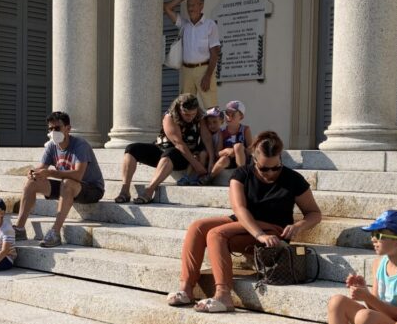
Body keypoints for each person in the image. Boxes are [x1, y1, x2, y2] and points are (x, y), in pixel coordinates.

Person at [169, 131, 322, 313]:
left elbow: (314, 213)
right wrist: (259, 234)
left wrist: (298, 226)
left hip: (273, 231)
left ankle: (223, 295)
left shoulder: (293, 179)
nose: (271, 173)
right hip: (249, 224)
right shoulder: (242, 174)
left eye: (276, 167)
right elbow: (239, 209)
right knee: (198, 227)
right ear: (254, 160)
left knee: (216, 235)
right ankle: (186, 288)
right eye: (264, 168)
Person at [13, 112, 105, 248]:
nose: (53, 132)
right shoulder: (51, 146)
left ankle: (55, 232)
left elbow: (78, 175)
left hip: (91, 189)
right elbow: (42, 167)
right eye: (50, 129)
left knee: (67, 183)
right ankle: (19, 229)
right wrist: (33, 173)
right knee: (31, 183)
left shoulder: (80, 145)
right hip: (67, 187)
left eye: (57, 128)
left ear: (68, 129)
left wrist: (50, 172)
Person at [114, 94, 215, 203]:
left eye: (193, 114)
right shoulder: (170, 116)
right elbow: (178, 142)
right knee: (131, 149)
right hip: (164, 148)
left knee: (170, 154)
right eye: (186, 114)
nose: (190, 117)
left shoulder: (200, 116)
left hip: (182, 156)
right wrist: (197, 165)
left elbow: (207, 138)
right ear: (179, 109)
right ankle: (125, 190)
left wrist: (211, 161)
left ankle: (149, 190)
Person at [164, 0, 221, 109]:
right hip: (187, 70)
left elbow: (215, 53)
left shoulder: (210, 25)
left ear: (201, 6)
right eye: (189, 5)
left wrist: (208, 75)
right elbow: (167, 8)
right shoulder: (184, 25)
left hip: (204, 69)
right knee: (185, 107)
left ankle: (213, 127)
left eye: (194, 5)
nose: (191, 8)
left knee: (211, 108)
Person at [205, 100, 253, 183]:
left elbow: (250, 149)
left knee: (238, 146)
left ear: (241, 117)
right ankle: (210, 177)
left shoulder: (245, 129)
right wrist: (226, 151)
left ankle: (241, 177)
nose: (228, 116)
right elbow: (217, 153)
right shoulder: (221, 132)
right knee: (223, 159)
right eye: (227, 113)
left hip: (243, 159)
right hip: (229, 160)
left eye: (233, 114)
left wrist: (237, 150)